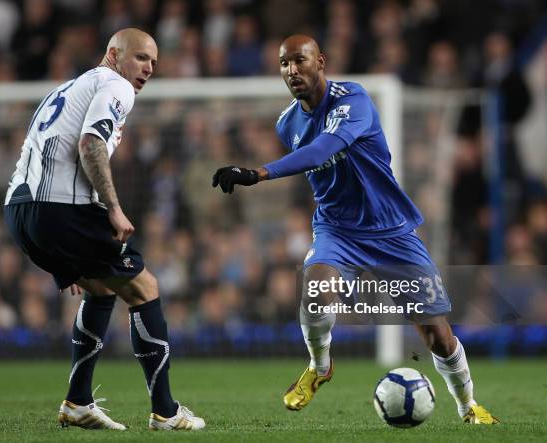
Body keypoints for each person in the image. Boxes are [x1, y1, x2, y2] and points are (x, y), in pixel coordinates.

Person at [212, 34, 499, 424]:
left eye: (300, 60)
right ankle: (320, 366)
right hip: (337, 231)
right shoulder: (287, 123)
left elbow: (323, 150)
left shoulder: (354, 99)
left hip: (391, 232)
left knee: (437, 337)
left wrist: (258, 173)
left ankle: (469, 408)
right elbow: (313, 168)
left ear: (321, 61)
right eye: (284, 63)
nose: (292, 70)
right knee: (316, 292)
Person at [4, 28, 205, 431]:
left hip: (20, 210)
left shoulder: (67, 88)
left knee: (100, 288)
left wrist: (62, 245)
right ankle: (165, 412)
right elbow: (90, 144)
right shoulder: (116, 86)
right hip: (60, 209)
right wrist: (112, 208)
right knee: (144, 288)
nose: (148, 69)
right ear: (113, 54)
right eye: (141, 58)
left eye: (154, 63)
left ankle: (78, 402)